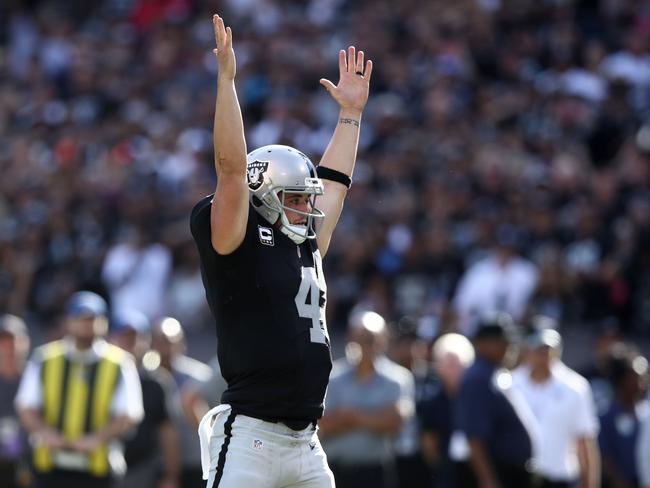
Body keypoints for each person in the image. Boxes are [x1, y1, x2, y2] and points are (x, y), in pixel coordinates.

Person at [189, 13, 372, 488]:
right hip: (251, 437)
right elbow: (231, 169)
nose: (307, 210)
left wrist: (350, 116)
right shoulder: (237, 236)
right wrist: (226, 82)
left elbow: (335, 186)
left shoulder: (305, 242)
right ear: (263, 194)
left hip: (308, 443)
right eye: (295, 199)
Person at [14, 291, 144, 488]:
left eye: (92, 319)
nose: (86, 325)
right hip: (50, 466)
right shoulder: (45, 358)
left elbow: (129, 413)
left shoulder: (120, 362)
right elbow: (26, 405)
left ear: (104, 322)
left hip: (98, 468)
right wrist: (44, 432)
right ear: (68, 321)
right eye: (80, 319)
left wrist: (97, 438)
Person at [319, 311, 414, 488]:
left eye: (371, 339)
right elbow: (325, 425)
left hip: (377, 473)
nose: (366, 345)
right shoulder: (333, 377)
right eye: (361, 339)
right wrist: (375, 418)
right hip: (338, 471)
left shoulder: (398, 379)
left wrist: (349, 416)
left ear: (384, 340)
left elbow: (395, 424)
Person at [454, 312, 538, 488]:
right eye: (502, 341)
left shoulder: (493, 374)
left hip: (510, 474)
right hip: (499, 474)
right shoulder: (478, 378)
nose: (509, 346)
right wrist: (488, 480)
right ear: (482, 343)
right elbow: (474, 437)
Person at [512, 326, 600, 488]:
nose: (545, 355)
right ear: (527, 350)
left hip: (559, 481)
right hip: (518, 479)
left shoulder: (576, 387)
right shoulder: (510, 384)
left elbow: (585, 441)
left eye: (549, 349)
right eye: (539, 349)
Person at [110, 309, 180, 488]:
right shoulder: (98, 375)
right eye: (125, 338)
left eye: (136, 338)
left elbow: (167, 432)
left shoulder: (157, 382)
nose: (131, 344)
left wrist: (170, 476)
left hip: (141, 469)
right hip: (99, 466)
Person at [151, 317, 212, 488]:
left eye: (172, 342)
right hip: (158, 465)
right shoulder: (146, 377)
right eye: (162, 341)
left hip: (196, 464)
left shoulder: (200, 377)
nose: (167, 348)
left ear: (181, 343)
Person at [419, 333, 475, 488]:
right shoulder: (431, 401)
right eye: (448, 364)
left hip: (475, 471)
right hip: (445, 475)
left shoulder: (477, 399)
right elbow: (428, 444)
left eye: (457, 364)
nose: (453, 370)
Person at [599, 348, 649, 488]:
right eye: (637, 376)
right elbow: (605, 458)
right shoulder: (605, 417)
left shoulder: (647, 414)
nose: (644, 380)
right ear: (622, 379)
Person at [0, 315, 31, 488]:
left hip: (29, 465)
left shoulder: (37, 378)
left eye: (13, 340)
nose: (8, 347)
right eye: (3, 341)